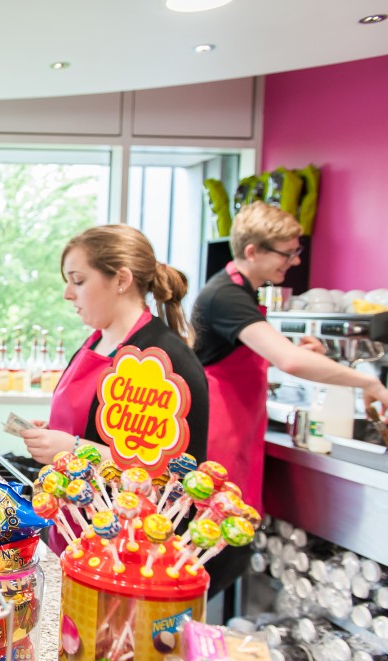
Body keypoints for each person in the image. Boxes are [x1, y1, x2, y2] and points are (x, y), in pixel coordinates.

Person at [192, 201, 388, 513]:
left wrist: (296, 353)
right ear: (253, 251)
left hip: (238, 430)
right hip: (220, 437)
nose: (294, 262)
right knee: (221, 542)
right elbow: (290, 362)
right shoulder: (226, 296)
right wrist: (368, 382)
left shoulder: (240, 291)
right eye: (287, 254)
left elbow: (249, 353)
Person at [21, 224, 209, 467]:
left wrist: (74, 449)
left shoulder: (162, 358)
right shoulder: (97, 341)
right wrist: (53, 435)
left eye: (78, 281)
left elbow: (171, 469)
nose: (67, 294)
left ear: (122, 280)